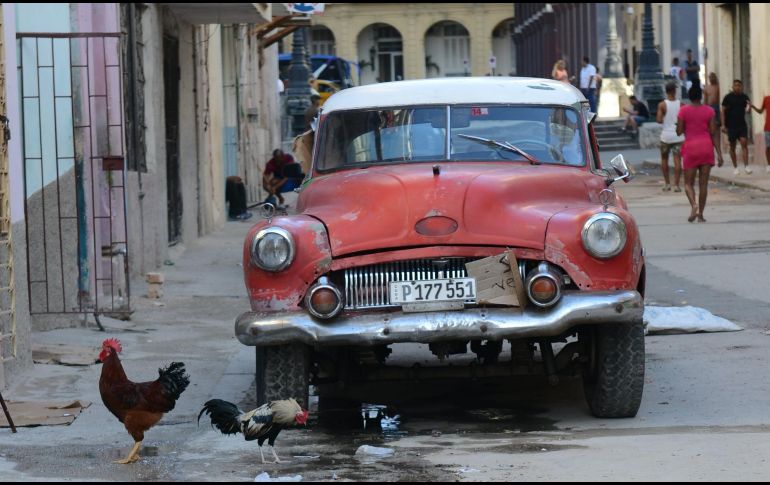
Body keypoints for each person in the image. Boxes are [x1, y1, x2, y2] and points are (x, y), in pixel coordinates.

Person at [677, 84, 717, 223]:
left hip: (691, 148)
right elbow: (712, 131)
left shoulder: (683, 111)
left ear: (689, 96)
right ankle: (701, 215)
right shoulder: (710, 111)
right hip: (706, 147)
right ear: (701, 96)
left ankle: (694, 205)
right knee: (703, 184)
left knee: (688, 183)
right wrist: (720, 153)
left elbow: (679, 131)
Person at [657, 82, 685, 192]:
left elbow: (659, 120)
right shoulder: (681, 105)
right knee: (677, 160)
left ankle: (667, 184)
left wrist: (665, 117)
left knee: (664, 159)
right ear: (674, 90)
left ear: (666, 91)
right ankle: (676, 185)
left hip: (666, 137)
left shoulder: (662, 105)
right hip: (678, 137)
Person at [721, 79, 753, 175]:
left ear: (742, 87)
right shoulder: (727, 98)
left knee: (744, 143)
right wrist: (723, 125)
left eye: (739, 85)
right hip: (731, 126)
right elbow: (723, 112)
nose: (737, 87)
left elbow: (748, 111)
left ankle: (746, 166)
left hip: (742, 124)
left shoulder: (745, 97)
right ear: (732, 86)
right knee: (732, 146)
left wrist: (749, 107)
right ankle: (735, 167)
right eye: (735, 85)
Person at [704, 72, 725, 166]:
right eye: (710, 77)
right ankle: (712, 157)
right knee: (708, 136)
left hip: (715, 110)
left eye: (712, 77)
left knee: (716, 135)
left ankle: (720, 156)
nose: (711, 78)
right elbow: (705, 102)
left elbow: (720, 101)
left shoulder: (718, 87)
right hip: (708, 110)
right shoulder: (706, 88)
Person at [750, 92, 770, 173]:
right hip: (768, 127)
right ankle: (769, 165)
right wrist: (753, 106)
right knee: (768, 147)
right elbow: (760, 111)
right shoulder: (766, 98)